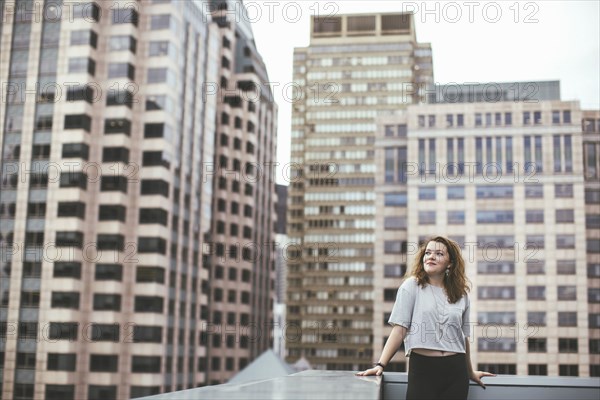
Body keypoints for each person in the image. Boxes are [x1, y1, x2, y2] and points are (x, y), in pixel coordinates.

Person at [356, 236, 494, 400]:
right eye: (428, 253)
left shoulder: (461, 294)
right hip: (423, 368)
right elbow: (399, 330)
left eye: (439, 254)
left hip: (456, 370)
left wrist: (470, 371)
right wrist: (381, 364)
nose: (431, 257)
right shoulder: (411, 286)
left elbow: (463, 337)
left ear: (450, 263)